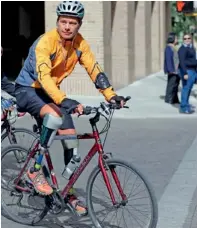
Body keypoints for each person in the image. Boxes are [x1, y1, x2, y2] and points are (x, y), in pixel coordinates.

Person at [15, 1, 125, 216]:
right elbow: (44, 77)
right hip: (28, 89)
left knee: (70, 140)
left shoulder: (80, 44)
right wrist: (64, 101)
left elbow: (94, 69)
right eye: (63, 22)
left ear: (79, 25)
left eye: (72, 23)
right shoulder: (45, 42)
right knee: (55, 116)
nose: (67, 26)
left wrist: (111, 95)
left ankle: (69, 193)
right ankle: (34, 171)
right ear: (57, 22)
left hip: (50, 93)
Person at [178, 33, 197, 114]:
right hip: (187, 71)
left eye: (189, 38)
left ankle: (186, 105)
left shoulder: (191, 48)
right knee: (186, 89)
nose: (187, 40)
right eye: (185, 39)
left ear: (191, 39)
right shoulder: (182, 49)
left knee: (188, 89)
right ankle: (183, 107)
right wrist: (185, 73)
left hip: (193, 70)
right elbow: (182, 62)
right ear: (183, 40)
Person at [164, 32, 180, 104]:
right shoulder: (168, 48)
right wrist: (171, 70)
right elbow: (168, 60)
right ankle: (168, 99)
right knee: (171, 85)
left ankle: (175, 99)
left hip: (177, 70)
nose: (177, 39)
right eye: (176, 38)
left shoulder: (174, 47)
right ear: (172, 38)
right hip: (172, 70)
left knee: (176, 85)